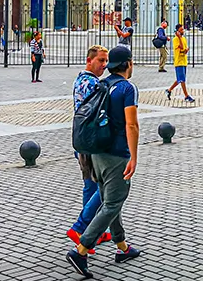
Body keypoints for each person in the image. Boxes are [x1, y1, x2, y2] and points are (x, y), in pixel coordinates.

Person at [66, 45, 142, 278]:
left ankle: (122, 247)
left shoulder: (102, 84)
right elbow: (131, 124)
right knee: (112, 202)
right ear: (128, 64)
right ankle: (81, 249)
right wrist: (134, 156)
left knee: (111, 200)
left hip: (96, 151)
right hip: (117, 153)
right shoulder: (127, 88)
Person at [68, 45, 112, 248]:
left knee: (90, 184)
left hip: (80, 138)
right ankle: (82, 227)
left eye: (106, 61)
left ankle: (93, 230)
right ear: (89, 60)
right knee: (103, 186)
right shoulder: (93, 84)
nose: (105, 65)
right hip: (91, 141)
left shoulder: (81, 79)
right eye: (101, 61)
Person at [166, 24, 195, 102]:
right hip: (179, 61)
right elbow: (181, 47)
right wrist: (178, 37)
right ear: (177, 31)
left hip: (184, 61)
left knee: (180, 79)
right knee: (182, 80)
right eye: (181, 30)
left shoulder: (184, 39)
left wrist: (186, 50)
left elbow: (184, 49)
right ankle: (186, 96)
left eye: (183, 29)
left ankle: (169, 90)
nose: (183, 31)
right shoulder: (175, 39)